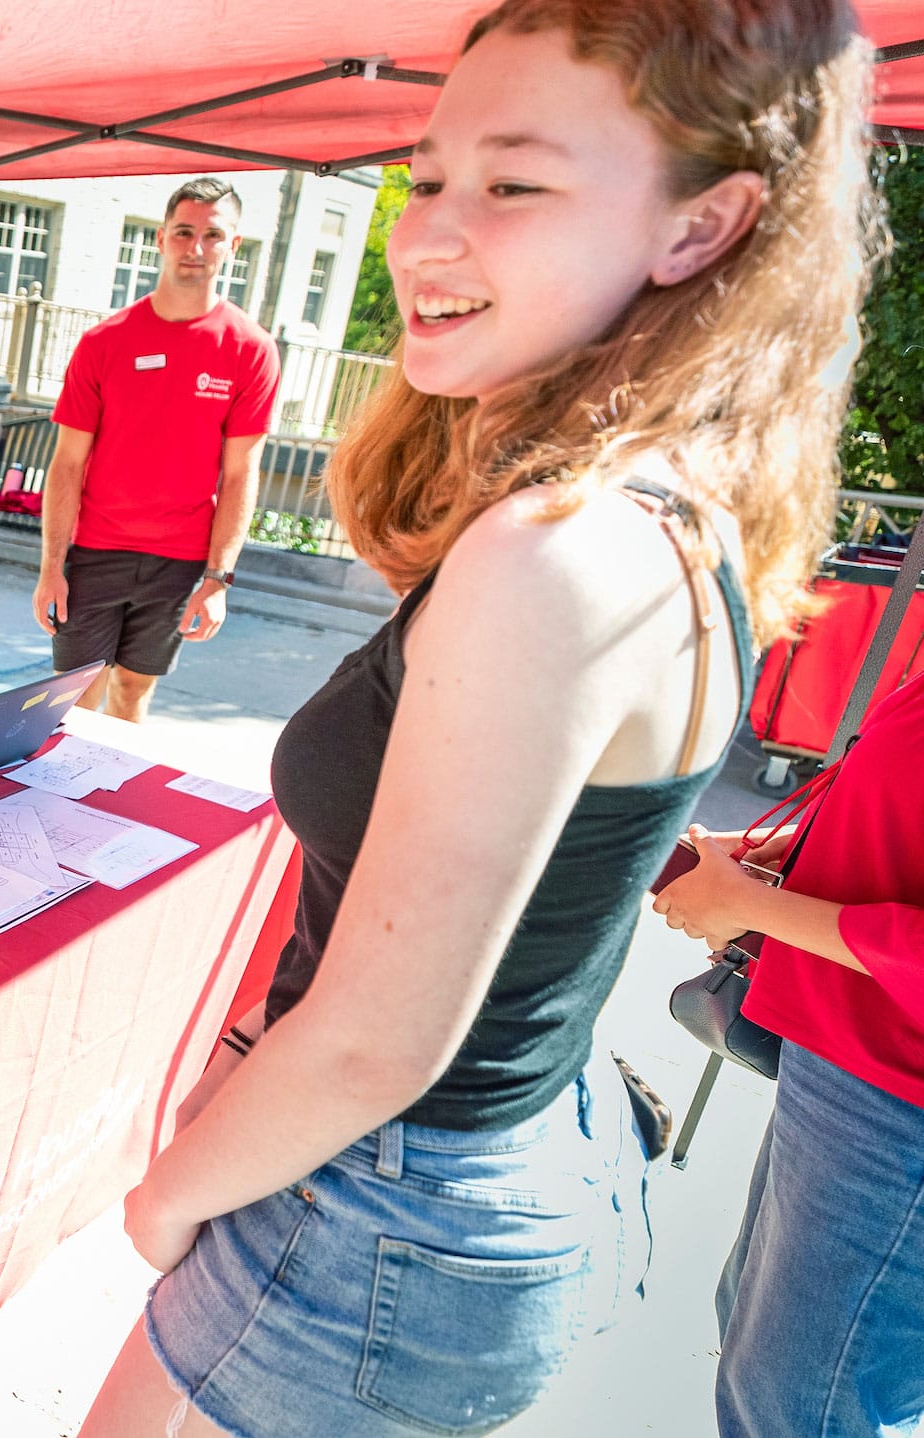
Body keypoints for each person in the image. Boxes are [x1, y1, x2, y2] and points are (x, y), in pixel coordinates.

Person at [80, 1, 875, 1433]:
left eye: (513, 183)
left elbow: (382, 1036)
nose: (426, 233)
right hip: (488, 1166)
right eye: (431, 175)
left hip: (385, 1195)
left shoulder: (557, 549)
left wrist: (159, 1202)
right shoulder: (670, 509)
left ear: (701, 228)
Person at [652, 672, 924, 1437]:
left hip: (900, 1105)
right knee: (761, 1353)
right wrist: (767, 859)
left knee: (798, 1404)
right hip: (851, 1065)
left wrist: (751, 905)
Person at [30, 176, 280, 723]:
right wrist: (51, 565)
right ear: (162, 238)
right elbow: (67, 462)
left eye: (212, 235)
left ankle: (110, 807)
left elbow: (241, 475)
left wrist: (218, 580)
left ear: (232, 246)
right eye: (185, 232)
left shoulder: (250, 349)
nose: (196, 248)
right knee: (73, 698)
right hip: (95, 550)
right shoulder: (106, 342)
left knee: (133, 693)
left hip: (179, 557)